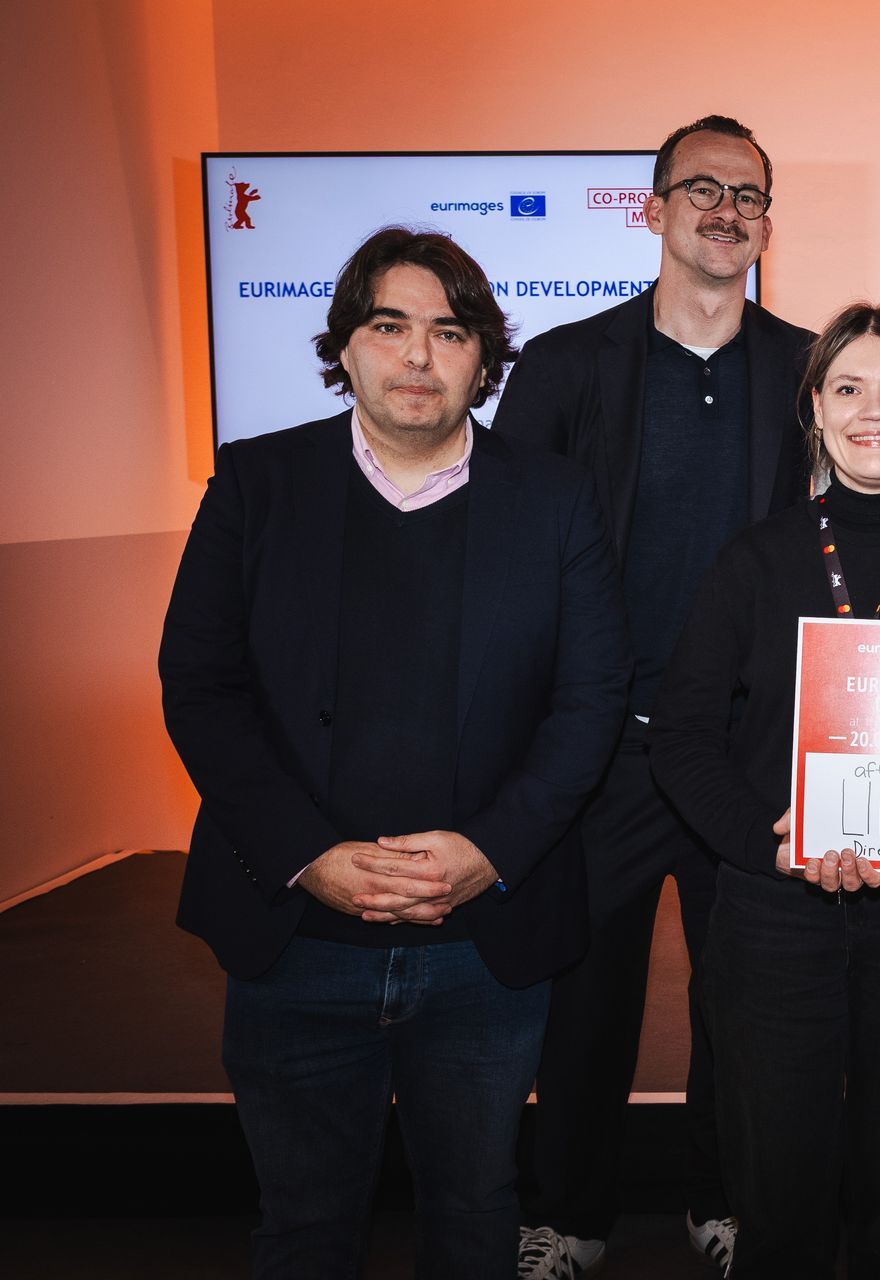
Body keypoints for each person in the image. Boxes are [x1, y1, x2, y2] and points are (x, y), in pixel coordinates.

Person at [159, 227, 629, 1278]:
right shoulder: (258, 483)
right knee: (304, 1229)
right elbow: (200, 686)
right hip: (295, 937)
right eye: (390, 325)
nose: (419, 355)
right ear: (347, 345)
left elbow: (592, 698)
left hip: (484, 946)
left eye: (450, 332)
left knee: (474, 1216)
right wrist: (306, 855)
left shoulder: (555, 498)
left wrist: (489, 851)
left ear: (483, 357)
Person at [491, 114, 814, 1278]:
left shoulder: (806, 366)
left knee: (744, 1003)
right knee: (586, 1003)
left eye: (749, 194)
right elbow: (510, 552)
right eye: (703, 188)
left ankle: (721, 1200)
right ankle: (567, 1216)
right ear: (653, 207)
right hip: (605, 747)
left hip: (745, 750)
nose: (727, 210)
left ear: (767, 222)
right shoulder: (567, 365)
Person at [648, 305, 880, 1277]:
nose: (874, 410)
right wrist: (770, 845)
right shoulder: (753, 560)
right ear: (815, 411)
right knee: (778, 1200)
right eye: (848, 388)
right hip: (775, 918)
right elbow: (681, 737)